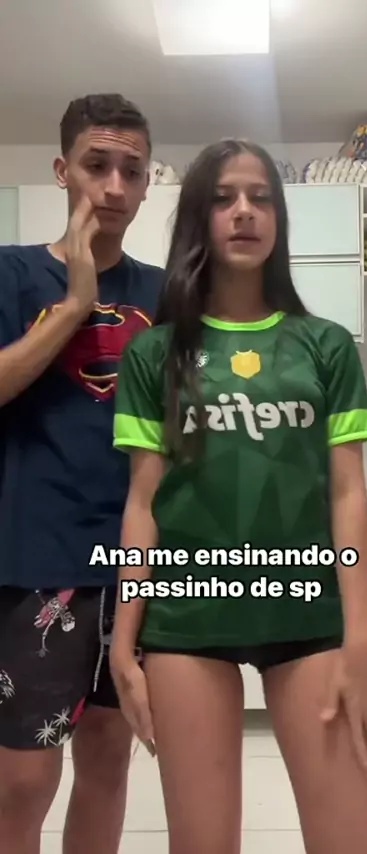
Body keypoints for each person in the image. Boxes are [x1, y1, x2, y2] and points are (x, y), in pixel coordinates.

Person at [110, 138, 367, 854]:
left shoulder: (325, 345)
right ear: (198, 219)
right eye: (224, 198)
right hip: (185, 620)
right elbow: (143, 503)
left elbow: (348, 493)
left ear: (279, 219)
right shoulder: (153, 354)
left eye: (261, 198)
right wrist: (124, 640)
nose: (244, 212)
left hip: (310, 615)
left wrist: (363, 637)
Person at [0, 93, 165, 854]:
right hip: (38, 559)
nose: (115, 186)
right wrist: (73, 305)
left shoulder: (165, 292)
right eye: (97, 165)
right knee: (23, 781)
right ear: (63, 170)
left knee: (108, 758)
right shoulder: (12, 272)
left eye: (133, 170)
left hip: (136, 560)